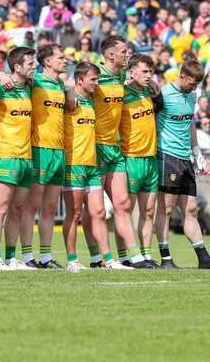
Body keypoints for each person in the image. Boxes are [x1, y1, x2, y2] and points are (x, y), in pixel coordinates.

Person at [153, 59, 210, 269]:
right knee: (166, 208)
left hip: (185, 158)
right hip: (167, 156)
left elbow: (190, 123)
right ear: (182, 76)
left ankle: (204, 259)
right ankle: (166, 259)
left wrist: (196, 152)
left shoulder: (192, 95)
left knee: (192, 209)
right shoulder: (163, 95)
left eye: (197, 84)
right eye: (192, 83)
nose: (195, 88)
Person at [85, 35, 152, 269]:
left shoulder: (121, 76)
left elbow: (137, 83)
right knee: (95, 210)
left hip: (115, 148)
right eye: (124, 51)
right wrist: (70, 90)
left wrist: (151, 83)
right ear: (111, 54)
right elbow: (72, 83)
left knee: (122, 204)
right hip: (95, 148)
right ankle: (97, 257)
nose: (127, 54)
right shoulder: (96, 74)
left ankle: (135, 257)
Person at [62, 62, 128, 272]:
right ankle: (71, 260)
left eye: (98, 79)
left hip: (92, 164)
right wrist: (67, 90)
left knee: (99, 212)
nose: (97, 83)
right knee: (74, 213)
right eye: (93, 79)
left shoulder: (91, 101)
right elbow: (57, 84)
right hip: (73, 163)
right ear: (79, 80)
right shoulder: (67, 100)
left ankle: (107, 260)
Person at [19, 43, 67, 269]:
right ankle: (27, 257)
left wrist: (70, 89)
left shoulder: (60, 84)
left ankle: (46, 258)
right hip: (39, 149)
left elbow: (71, 84)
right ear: (48, 62)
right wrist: (1, 75)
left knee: (50, 208)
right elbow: (6, 78)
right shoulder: (34, 80)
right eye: (61, 58)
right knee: (31, 207)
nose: (65, 61)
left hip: (59, 151)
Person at [0, 47, 37, 271]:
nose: (34, 67)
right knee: (1, 208)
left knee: (17, 209)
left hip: (26, 156)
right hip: (6, 155)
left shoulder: (28, 87)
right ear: (17, 67)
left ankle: (10, 258)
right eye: (30, 64)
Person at [120, 53, 161, 268]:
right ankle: (124, 257)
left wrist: (152, 83)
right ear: (131, 72)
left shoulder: (149, 91)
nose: (148, 76)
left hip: (150, 159)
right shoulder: (121, 93)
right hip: (131, 158)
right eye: (144, 72)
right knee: (125, 210)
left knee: (149, 211)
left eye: (150, 72)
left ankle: (146, 255)